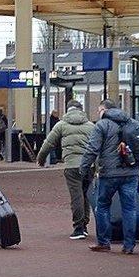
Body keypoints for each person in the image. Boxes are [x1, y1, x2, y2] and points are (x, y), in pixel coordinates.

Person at [79, 99, 139, 255]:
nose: (98, 113)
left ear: (105, 110)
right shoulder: (133, 123)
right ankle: (129, 245)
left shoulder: (102, 125)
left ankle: (104, 242)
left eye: (99, 110)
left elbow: (92, 149)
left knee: (103, 206)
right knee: (129, 208)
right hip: (132, 173)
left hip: (109, 174)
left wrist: (83, 169)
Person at [36, 100, 95, 239]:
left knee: (76, 196)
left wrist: (41, 159)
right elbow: (97, 146)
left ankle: (78, 228)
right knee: (85, 194)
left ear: (68, 110)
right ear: (81, 110)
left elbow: (48, 143)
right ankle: (85, 224)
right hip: (88, 166)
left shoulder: (61, 125)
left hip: (72, 165)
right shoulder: (91, 126)